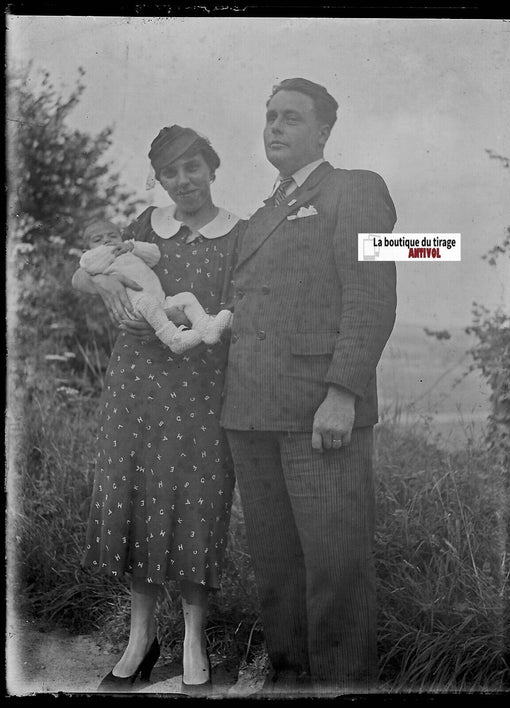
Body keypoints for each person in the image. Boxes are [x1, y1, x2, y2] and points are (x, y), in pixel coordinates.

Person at [220, 78, 397, 696]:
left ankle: (343, 686)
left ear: (323, 131)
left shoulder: (356, 189)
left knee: (336, 567)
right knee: (275, 566)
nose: (275, 127)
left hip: (320, 410)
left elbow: (373, 297)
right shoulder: (261, 212)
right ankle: (289, 679)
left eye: (291, 117)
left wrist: (343, 393)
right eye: (269, 116)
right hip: (251, 413)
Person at [72, 125, 242, 694]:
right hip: (136, 385)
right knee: (140, 497)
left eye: (193, 167)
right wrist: (107, 292)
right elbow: (84, 270)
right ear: (160, 179)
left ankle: (194, 638)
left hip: (200, 388)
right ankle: (141, 639)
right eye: (170, 172)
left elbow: (241, 308)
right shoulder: (146, 227)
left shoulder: (237, 234)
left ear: (212, 168)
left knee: (198, 499)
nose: (183, 180)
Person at [79, 218, 233, 354]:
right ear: (87, 249)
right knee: (148, 302)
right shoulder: (95, 259)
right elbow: (88, 264)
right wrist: (106, 250)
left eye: (112, 236)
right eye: (98, 239)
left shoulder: (129, 251)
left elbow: (155, 256)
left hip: (161, 300)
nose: (107, 240)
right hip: (135, 305)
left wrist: (132, 246)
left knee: (187, 298)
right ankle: (174, 339)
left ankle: (206, 328)